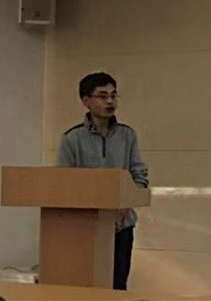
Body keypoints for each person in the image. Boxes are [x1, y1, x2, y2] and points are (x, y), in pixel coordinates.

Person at [57, 72, 149, 290]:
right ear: (86, 101)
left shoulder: (127, 135)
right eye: (103, 96)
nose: (110, 101)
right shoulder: (72, 138)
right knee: (85, 287)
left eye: (113, 95)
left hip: (121, 225)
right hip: (86, 228)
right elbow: (63, 183)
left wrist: (122, 207)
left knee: (117, 286)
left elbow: (139, 176)